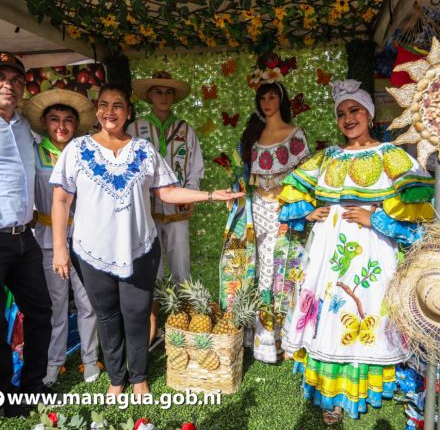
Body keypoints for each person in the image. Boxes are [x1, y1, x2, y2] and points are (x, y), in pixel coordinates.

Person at [50, 83, 243, 396]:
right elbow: (60, 200)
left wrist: (209, 195)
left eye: (118, 105)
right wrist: (59, 248)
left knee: (137, 313)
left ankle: (138, 376)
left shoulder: (143, 149)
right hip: (90, 250)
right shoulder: (77, 149)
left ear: (128, 112)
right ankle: (116, 379)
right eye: (104, 105)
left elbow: (167, 191)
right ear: (97, 111)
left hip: (139, 248)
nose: (110, 111)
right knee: (107, 316)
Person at [279, 79, 435, 424]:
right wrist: (309, 212)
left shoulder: (390, 155)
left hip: (372, 248)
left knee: (368, 307)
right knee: (332, 314)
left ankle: (369, 385)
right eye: (341, 113)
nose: (348, 118)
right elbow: (293, 191)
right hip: (328, 249)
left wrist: (374, 218)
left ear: (370, 114)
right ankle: (332, 394)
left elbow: (416, 218)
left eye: (355, 110)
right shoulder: (329, 157)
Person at [220, 80, 310, 364]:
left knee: (277, 268)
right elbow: (241, 172)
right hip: (255, 208)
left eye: (272, 97)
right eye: (263, 98)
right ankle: (252, 334)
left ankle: (274, 338)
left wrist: (299, 208)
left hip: (282, 210)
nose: (267, 103)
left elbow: (305, 176)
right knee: (253, 266)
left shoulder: (295, 135)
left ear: (280, 100)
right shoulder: (253, 135)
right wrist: (234, 194)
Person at [22, 89, 100, 386]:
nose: (61, 126)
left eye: (68, 120)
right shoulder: (34, 153)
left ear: (76, 125)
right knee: (55, 303)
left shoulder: (84, 153)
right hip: (46, 238)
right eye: (54, 119)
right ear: (44, 122)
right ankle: (54, 361)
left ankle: (89, 358)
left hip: (84, 237)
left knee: (87, 301)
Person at [127, 71, 204, 345]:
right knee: (152, 268)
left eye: (168, 92)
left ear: (174, 97)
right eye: (158, 91)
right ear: (149, 96)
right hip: (145, 212)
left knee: (181, 265)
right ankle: (152, 328)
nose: (163, 96)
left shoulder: (185, 129)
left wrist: (190, 194)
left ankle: (187, 325)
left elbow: (195, 167)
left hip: (177, 211)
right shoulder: (134, 129)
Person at [0, 52, 52, 415]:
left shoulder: (24, 127)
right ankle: (5, 395)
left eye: (16, 80)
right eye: (2, 78)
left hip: (24, 237)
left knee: (41, 311)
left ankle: (32, 388)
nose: (9, 85)